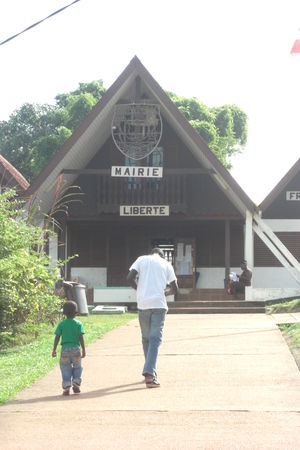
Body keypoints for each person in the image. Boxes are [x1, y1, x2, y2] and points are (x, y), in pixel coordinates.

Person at [127, 247, 178, 388]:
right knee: (155, 339)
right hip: (159, 305)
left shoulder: (141, 259)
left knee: (146, 338)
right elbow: (175, 288)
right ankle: (149, 373)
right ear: (162, 256)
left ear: (150, 253)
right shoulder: (166, 264)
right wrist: (165, 294)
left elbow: (129, 278)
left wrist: (140, 290)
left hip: (143, 304)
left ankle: (149, 370)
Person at [52, 301, 86, 396]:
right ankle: (76, 381)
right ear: (76, 312)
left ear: (64, 313)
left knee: (65, 368)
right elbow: (80, 337)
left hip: (65, 350)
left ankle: (67, 387)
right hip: (76, 349)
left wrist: (54, 349)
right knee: (77, 367)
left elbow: (57, 337)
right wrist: (83, 349)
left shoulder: (62, 324)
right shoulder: (78, 324)